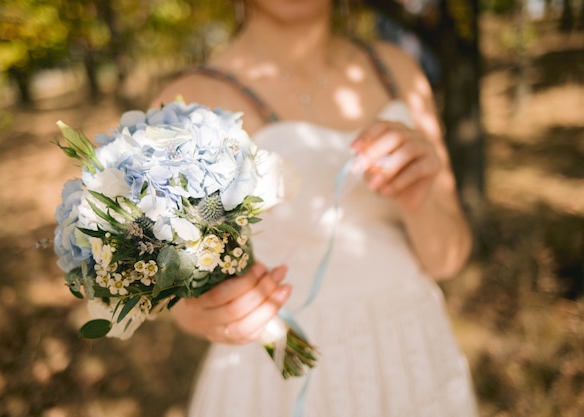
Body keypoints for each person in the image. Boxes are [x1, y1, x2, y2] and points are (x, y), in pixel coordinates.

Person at [151, 0, 478, 416]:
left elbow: (449, 259)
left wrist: (420, 200)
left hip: (412, 351)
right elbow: (174, 283)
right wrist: (202, 314)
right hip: (280, 366)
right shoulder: (185, 103)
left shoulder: (398, 70)